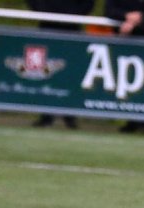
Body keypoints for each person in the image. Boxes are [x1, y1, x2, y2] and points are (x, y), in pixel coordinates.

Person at [27, 0, 95, 129]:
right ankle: (46, 116)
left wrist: (71, 16)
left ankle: (70, 115)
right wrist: (45, 13)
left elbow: (88, 4)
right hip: (47, 26)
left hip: (72, 28)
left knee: (71, 72)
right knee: (45, 72)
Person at [105, 0, 144, 134]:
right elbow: (109, 11)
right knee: (128, 80)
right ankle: (132, 120)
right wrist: (126, 16)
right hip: (125, 43)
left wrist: (139, 19)